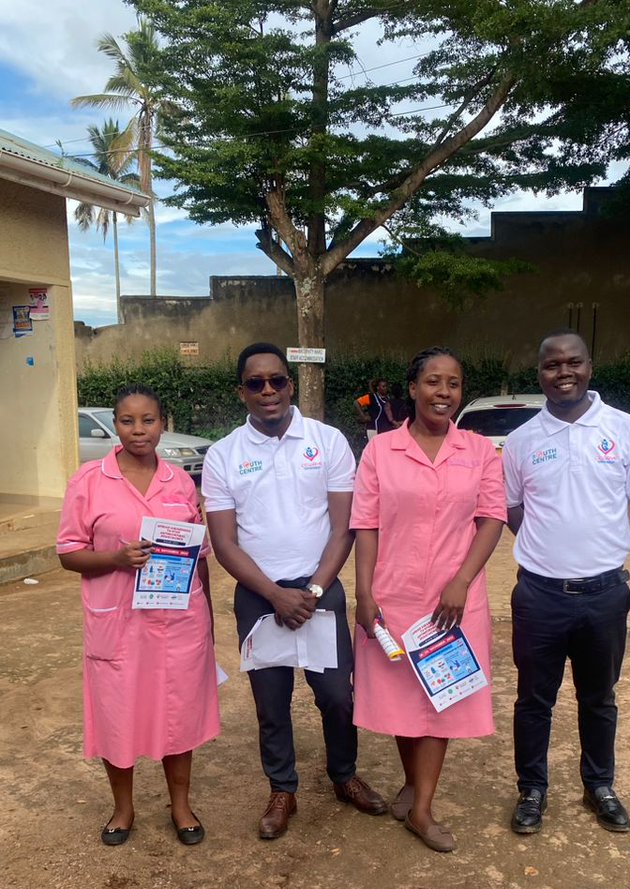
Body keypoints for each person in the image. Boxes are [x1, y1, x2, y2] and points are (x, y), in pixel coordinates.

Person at [201, 342, 385, 839]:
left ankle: (344, 775)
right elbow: (224, 542)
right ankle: (282, 789)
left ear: (291, 384)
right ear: (241, 392)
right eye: (256, 383)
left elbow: (344, 527)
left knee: (338, 697)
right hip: (259, 598)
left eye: (277, 380)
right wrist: (275, 594)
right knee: (271, 703)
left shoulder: (327, 441)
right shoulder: (223, 455)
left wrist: (316, 587)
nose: (268, 391)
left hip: (319, 591)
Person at [502, 331, 630, 836]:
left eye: (573, 362)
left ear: (590, 366)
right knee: (533, 700)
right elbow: (511, 507)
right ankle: (532, 789)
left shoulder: (624, 428)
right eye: (552, 365)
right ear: (540, 373)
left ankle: (599, 786)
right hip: (539, 596)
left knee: (599, 698)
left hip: (606, 594)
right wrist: (546, 544)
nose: (563, 372)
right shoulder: (522, 440)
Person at [351, 347, 506, 852]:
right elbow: (366, 524)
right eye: (433, 382)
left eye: (453, 383)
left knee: (441, 695)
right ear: (413, 388)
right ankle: (413, 783)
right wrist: (364, 591)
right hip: (394, 595)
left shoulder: (479, 451)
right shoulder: (381, 451)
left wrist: (462, 580)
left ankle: (421, 808)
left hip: (452, 601)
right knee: (403, 696)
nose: (444, 392)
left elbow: (492, 518)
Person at [57, 385, 220, 846]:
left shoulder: (180, 482)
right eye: (127, 421)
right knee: (118, 713)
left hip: (179, 622)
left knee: (178, 713)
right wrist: (115, 559)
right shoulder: (90, 481)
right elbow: (68, 553)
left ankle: (181, 805)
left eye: (148, 420)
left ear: (162, 424)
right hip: (119, 623)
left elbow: (199, 555)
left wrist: (208, 617)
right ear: (115, 425)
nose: (138, 430)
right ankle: (123, 808)